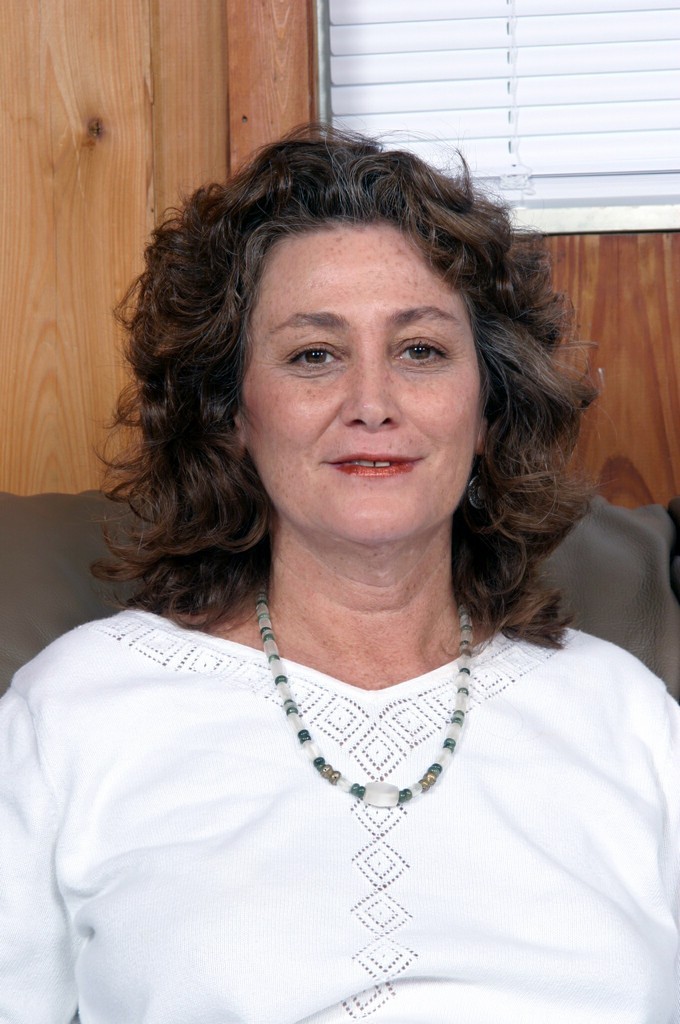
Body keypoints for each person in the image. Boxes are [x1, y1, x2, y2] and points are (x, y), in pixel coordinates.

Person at [0, 125, 678, 1024]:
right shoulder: (72, 713)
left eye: (421, 350)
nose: (372, 404)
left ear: (487, 407)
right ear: (232, 411)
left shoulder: (628, 718)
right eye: (313, 354)